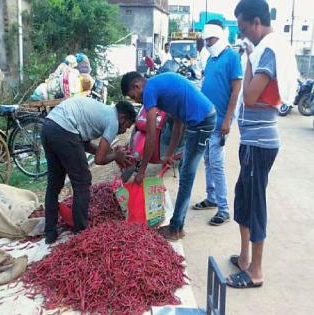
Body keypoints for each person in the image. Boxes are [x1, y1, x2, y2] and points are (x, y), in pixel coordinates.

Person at [227, 0, 298, 288]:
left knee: (255, 204)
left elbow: (251, 96)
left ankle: (255, 271)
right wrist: (250, 55)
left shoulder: (267, 52)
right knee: (243, 198)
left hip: (260, 144)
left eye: (244, 28)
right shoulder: (264, 50)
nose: (243, 35)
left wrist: (248, 60)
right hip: (251, 141)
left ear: (257, 23)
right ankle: (244, 258)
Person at [121, 71, 216, 240]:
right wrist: (169, 154)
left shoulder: (150, 90)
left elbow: (151, 135)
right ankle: (177, 227)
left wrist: (142, 170)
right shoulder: (160, 88)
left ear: (137, 86)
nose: (137, 101)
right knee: (185, 171)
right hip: (199, 121)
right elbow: (178, 123)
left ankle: (175, 228)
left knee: (186, 175)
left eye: (133, 96)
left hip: (201, 123)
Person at [41, 97, 137, 244]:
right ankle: (80, 232)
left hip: (48, 127)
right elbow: (99, 159)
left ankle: (50, 232)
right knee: (82, 181)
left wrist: (112, 153)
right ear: (122, 117)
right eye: (126, 126)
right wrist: (115, 155)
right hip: (64, 130)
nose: (123, 130)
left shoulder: (101, 112)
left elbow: (85, 145)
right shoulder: (112, 121)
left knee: (54, 184)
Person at [192, 20, 243, 226]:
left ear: (220, 37)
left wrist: (228, 120)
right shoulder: (211, 60)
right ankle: (211, 198)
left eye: (210, 39)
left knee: (217, 164)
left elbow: (236, 91)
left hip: (221, 121)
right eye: (205, 40)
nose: (207, 43)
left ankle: (223, 209)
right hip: (207, 120)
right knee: (207, 161)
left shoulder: (232, 57)